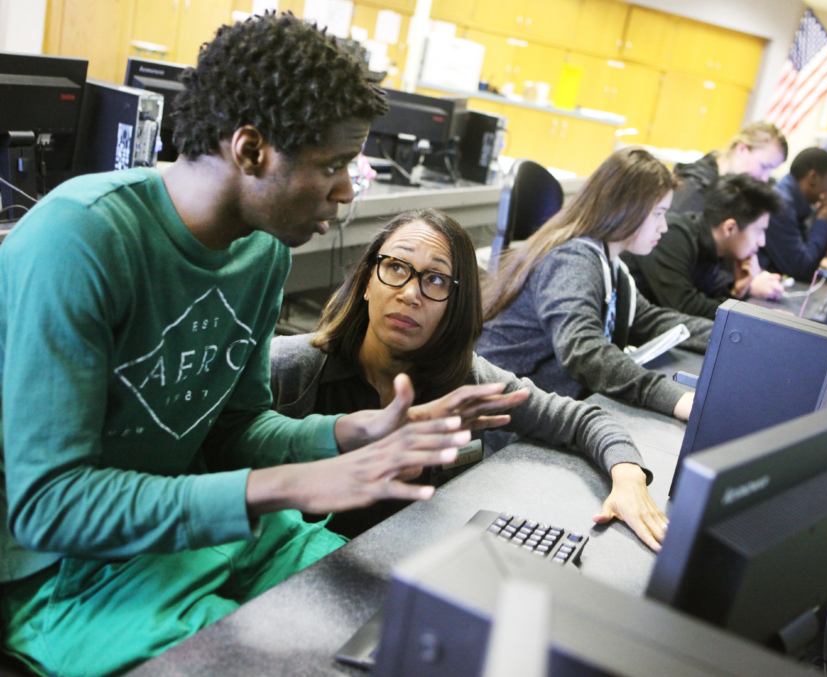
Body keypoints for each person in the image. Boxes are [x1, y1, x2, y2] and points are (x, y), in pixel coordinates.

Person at [0, 14, 499, 677]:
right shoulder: (81, 238)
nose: (349, 191)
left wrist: (345, 433)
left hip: (191, 529)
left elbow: (234, 427)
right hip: (57, 575)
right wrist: (291, 482)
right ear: (252, 149)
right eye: (332, 165)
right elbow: (50, 505)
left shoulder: (262, 253)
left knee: (404, 609)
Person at [271, 209, 669, 550]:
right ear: (366, 283)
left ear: (454, 306)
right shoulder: (291, 369)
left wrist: (628, 474)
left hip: (408, 563)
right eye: (396, 267)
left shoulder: (468, 379)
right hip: (297, 574)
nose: (411, 293)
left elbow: (582, 419)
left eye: (436, 280)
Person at [477, 148, 713, 423]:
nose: (664, 227)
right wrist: (673, 398)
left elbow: (650, 320)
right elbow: (583, 350)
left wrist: (729, 336)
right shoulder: (572, 260)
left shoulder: (609, 264)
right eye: (658, 214)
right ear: (627, 209)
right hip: (501, 422)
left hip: (542, 409)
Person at [626, 174, 785, 321]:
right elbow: (684, 307)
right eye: (759, 231)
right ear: (729, 228)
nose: (762, 242)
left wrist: (737, 291)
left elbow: (705, 302)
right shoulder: (673, 236)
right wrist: (752, 317)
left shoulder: (714, 247)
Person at [668, 121, 788, 217]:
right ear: (742, 149)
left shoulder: (733, 187)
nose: (765, 178)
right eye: (764, 166)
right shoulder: (693, 188)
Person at [758, 147, 827, 282]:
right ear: (813, 177)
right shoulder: (781, 205)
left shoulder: (795, 203)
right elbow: (801, 268)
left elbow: (812, 260)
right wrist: (823, 222)